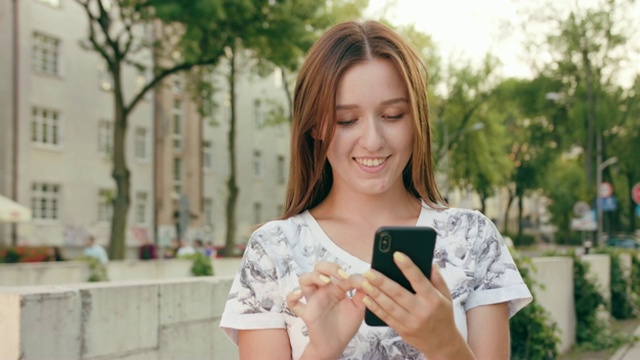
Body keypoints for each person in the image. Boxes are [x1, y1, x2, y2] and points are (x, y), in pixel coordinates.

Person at [220, 20, 532, 359]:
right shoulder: (273, 251)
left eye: (393, 115)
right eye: (346, 120)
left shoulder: (472, 239)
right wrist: (322, 350)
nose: (372, 140)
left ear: (417, 121)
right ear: (314, 126)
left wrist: (445, 344)